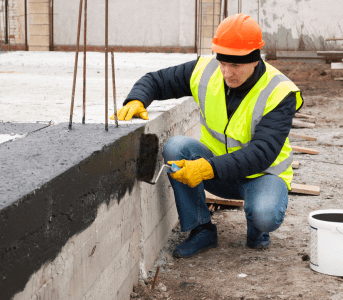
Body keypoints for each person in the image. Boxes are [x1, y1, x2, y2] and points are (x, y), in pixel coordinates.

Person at [111, 14, 303, 258]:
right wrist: (137, 98)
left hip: (262, 176)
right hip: (221, 173)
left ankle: (257, 228)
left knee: (264, 215)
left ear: (255, 60)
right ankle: (201, 230)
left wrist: (205, 169)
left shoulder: (279, 91)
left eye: (236, 66)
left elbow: (261, 154)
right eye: (223, 62)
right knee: (177, 147)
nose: (227, 72)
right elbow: (156, 80)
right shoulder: (205, 71)